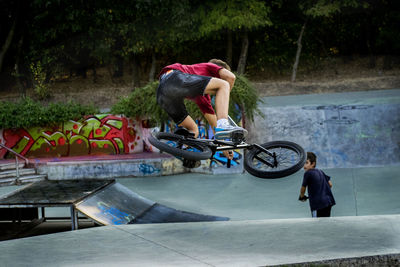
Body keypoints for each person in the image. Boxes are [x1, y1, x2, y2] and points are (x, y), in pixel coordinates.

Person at [156, 59, 247, 163]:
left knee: (193, 130)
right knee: (224, 85)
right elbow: (231, 77)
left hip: (162, 94)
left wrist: (225, 147)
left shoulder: (201, 96)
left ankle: (185, 152)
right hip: (175, 78)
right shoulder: (208, 66)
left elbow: (215, 126)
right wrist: (224, 92)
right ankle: (224, 123)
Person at [299, 152, 336, 217]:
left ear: (313, 164)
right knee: (325, 223)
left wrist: (302, 196)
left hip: (318, 205)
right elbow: (330, 184)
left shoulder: (307, 173)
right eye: (303, 163)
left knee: (316, 224)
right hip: (328, 202)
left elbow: (303, 188)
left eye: (306, 163)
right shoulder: (320, 171)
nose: (304, 165)